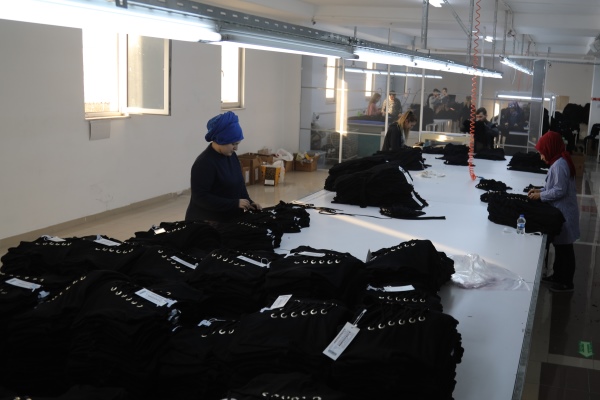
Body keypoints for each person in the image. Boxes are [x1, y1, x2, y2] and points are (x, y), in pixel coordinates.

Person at [185, 111, 261, 223]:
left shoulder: (231, 156)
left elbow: (239, 184)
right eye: (233, 144)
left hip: (228, 217)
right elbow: (200, 198)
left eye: (237, 144)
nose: (236, 148)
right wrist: (234, 203)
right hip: (207, 222)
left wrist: (249, 202)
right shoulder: (204, 163)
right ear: (221, 139)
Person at [528, 131, 580, 293]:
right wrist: (540, 190)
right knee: (560, 247)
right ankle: (558, 276)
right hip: (562, 212)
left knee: (565, 250)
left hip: (564, 213)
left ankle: (566, 282)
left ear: (550, 149)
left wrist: (540, 196)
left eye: (542, 153)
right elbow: (554, 187)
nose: (541, 157)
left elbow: (559, 190)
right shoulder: (559, 161)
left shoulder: (559, 165)